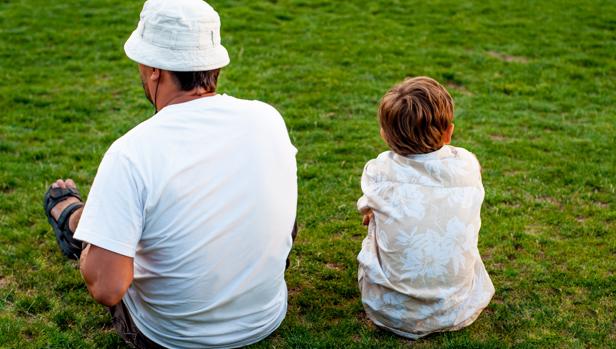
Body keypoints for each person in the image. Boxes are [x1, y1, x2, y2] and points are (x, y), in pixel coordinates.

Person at [42, 0, 297, 348]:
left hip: (170, 336)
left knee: (106, 249)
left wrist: (90, 252)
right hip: (263, 318)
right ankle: (81, 219)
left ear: (153, 70)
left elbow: (107, 287)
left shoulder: (132, 152)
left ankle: (75, 222)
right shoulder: (267, 119)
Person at [357, 76, 494, 339]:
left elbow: (364, 209)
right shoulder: (467, 164)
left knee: (373, 217)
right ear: (449, 133)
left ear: (385, 135)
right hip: (456, 309)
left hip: (387, 310)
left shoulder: (378, 170)